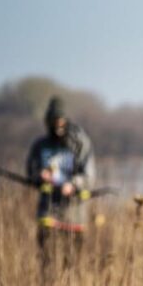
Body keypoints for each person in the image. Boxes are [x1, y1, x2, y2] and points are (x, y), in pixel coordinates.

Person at [26, 96, 96, 249]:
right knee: (47, 262)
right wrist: (39, 175)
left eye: (60, 120)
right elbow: (31, 172)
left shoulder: (80, 144)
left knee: (71, 265)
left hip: (74, 216)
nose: (57, 125)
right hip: (48, 213)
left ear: (66, 120)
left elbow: (89, 176)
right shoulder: (40, 146)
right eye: (53, 120)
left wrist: (73, 184)